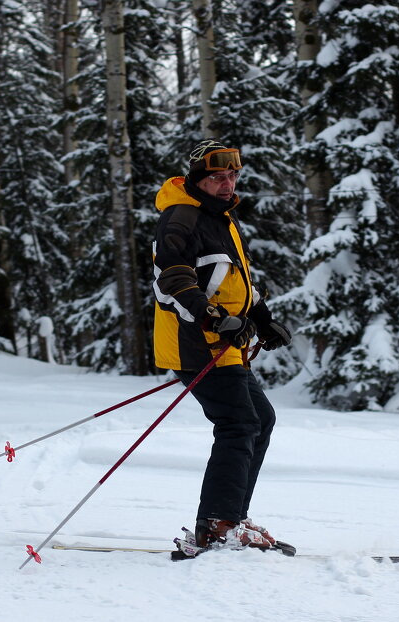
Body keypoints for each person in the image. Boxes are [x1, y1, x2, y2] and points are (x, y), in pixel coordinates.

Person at [151, 139, 294, 554]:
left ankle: (232, 517)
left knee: (259, 419)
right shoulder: (181, 217)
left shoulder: (221, 218)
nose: (227, 183)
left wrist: (263, 321)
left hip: (222, 341)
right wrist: (213, 318)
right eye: (217, 177)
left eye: (232, 175)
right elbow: (172, 280)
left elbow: (235, 282)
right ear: (198, 179)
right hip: (193, 341)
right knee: (238, 423)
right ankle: (217, 524)